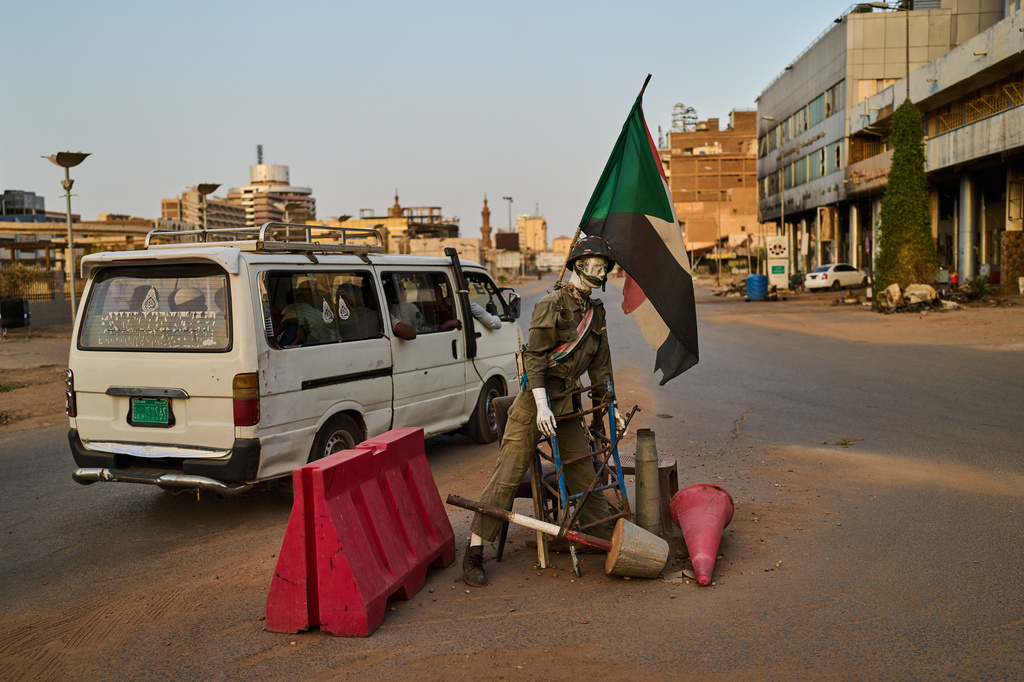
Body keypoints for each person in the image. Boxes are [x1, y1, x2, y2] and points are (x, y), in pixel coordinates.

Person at [462, 235, 626, 587]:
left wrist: (612, 407)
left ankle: (605, 535)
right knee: (507, 473)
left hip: (565, 406)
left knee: (584, 470)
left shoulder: (595, 313)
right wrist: (539, 406)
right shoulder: (551, 304)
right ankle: (474, 551)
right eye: (594, 266)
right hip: (533, 405)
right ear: (578, 266)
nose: (600, 272)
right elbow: (534, 357)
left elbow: (601, 368)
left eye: (604, 267)